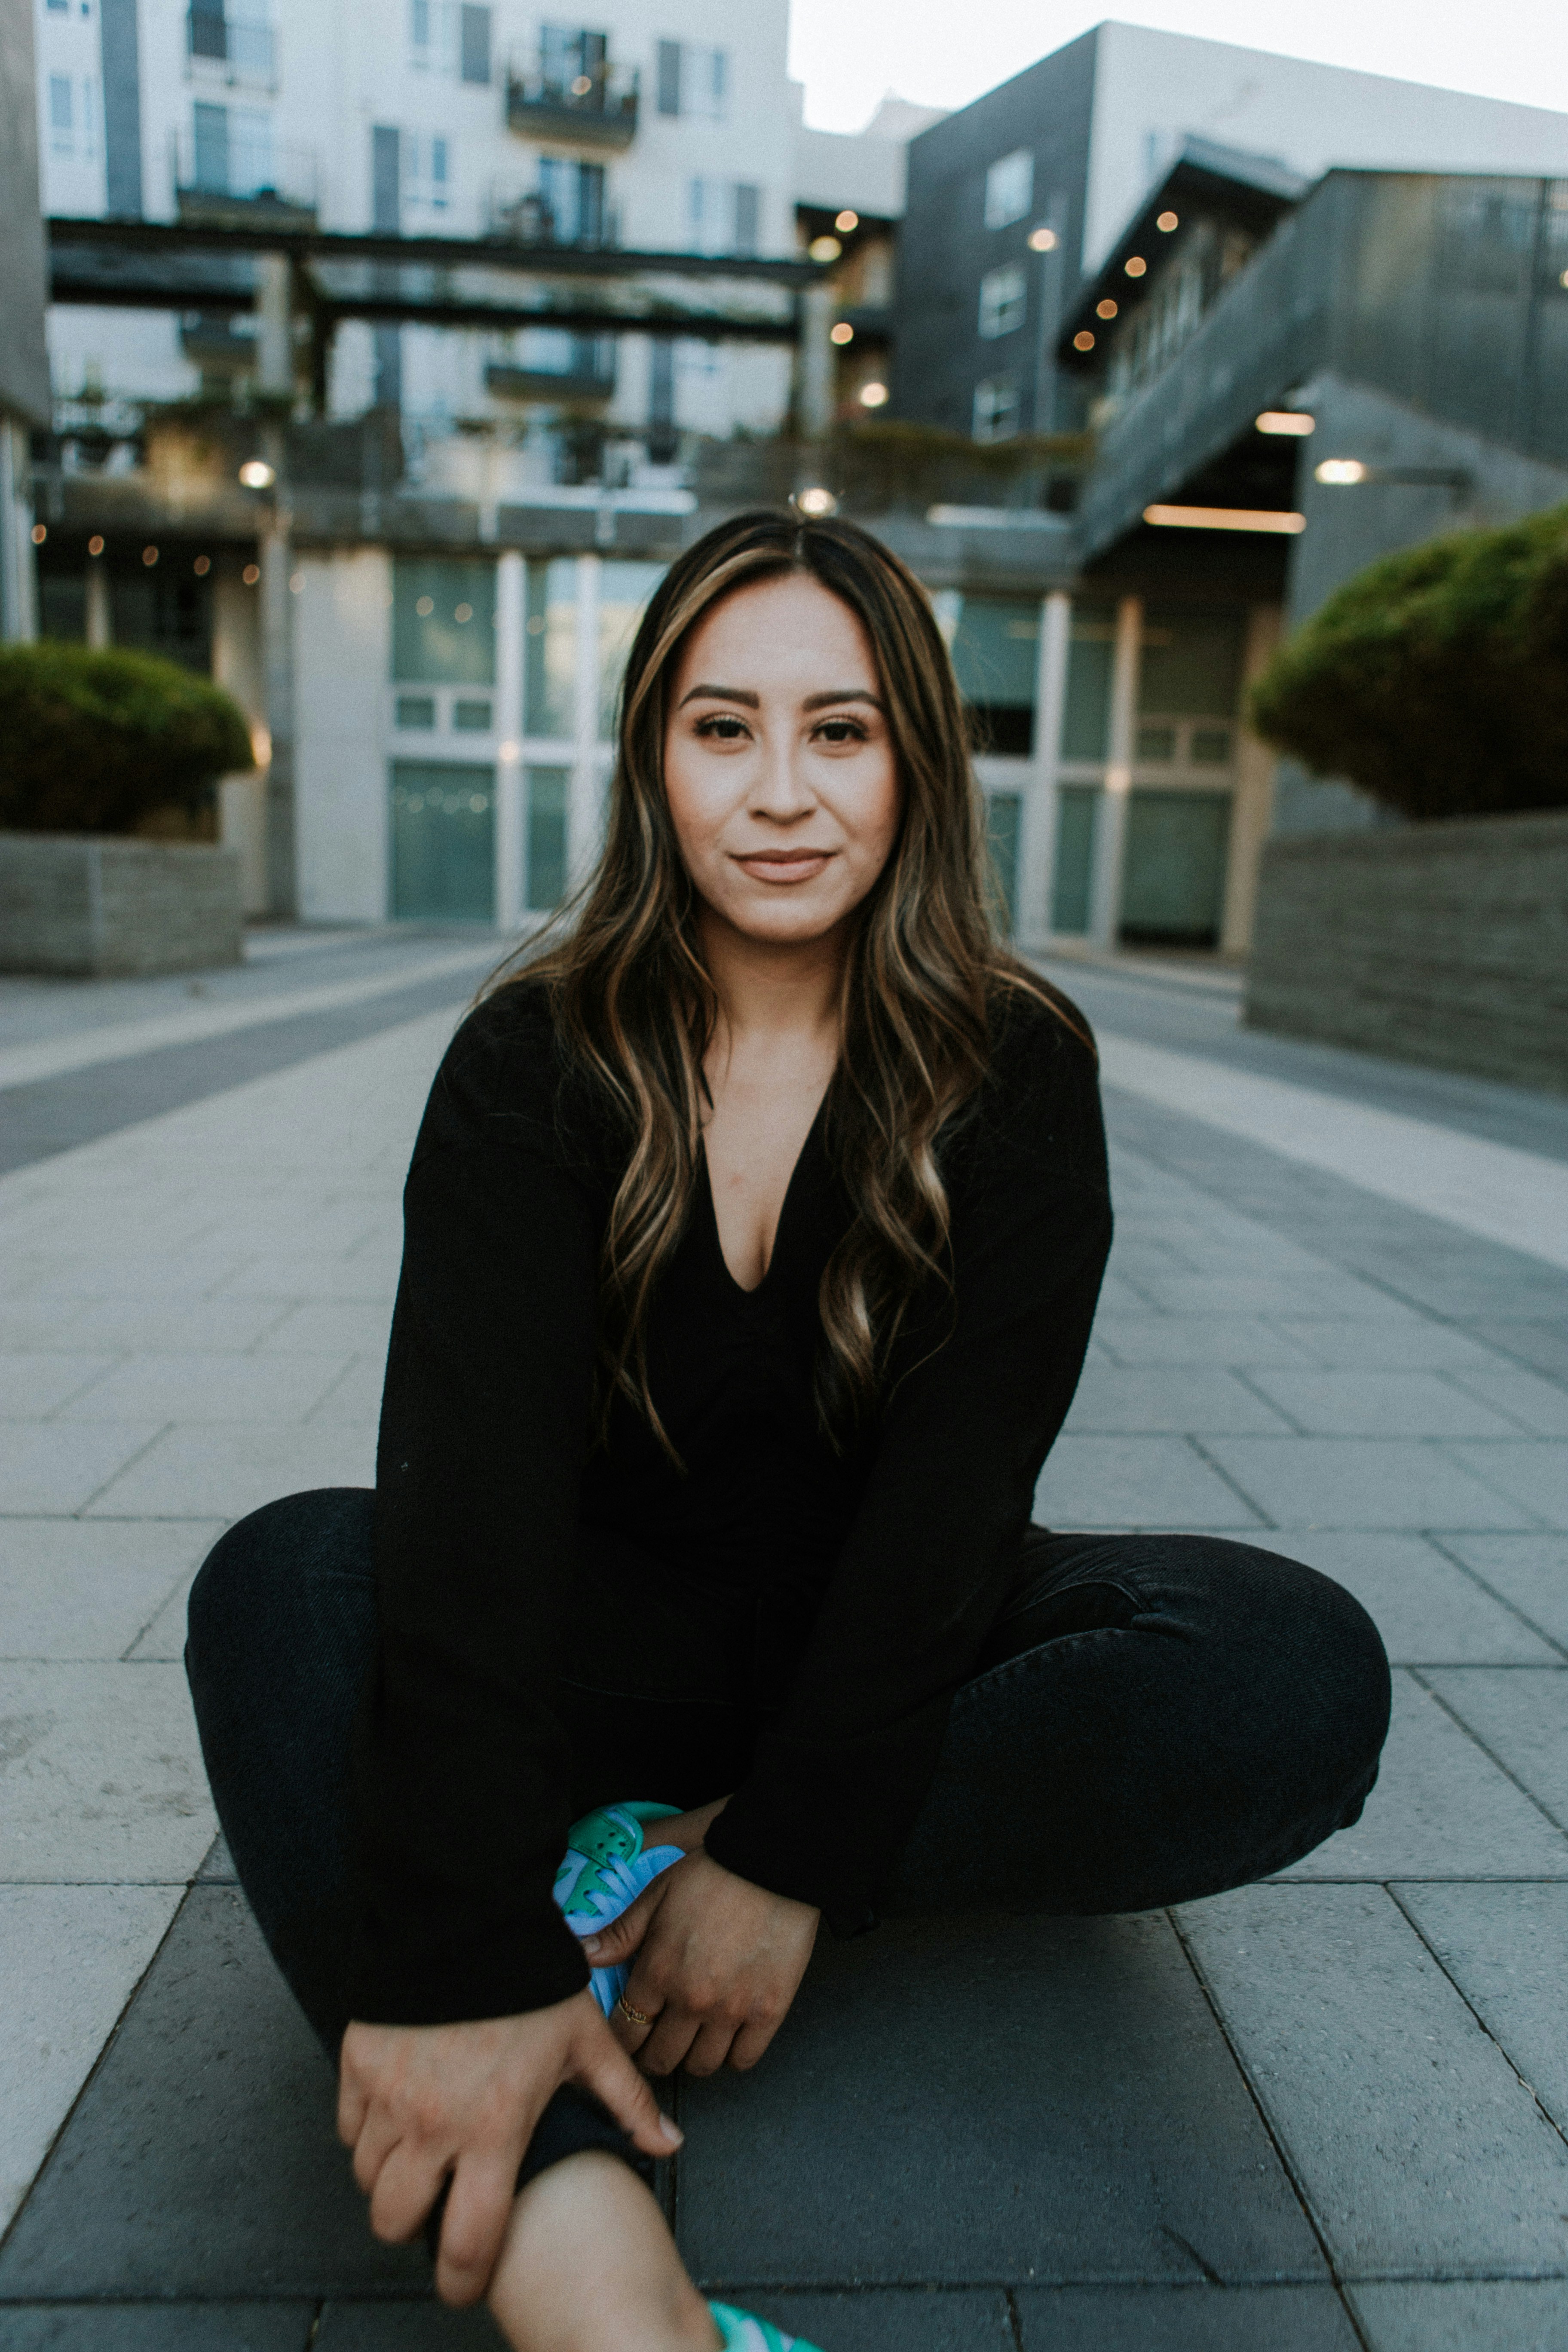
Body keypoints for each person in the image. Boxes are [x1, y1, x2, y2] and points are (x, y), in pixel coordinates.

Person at [186, 509, 1391, 2352]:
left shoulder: (1013, 1066)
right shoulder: (538, 1055)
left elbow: (958, 1509)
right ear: (651, 762)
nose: (780, 793)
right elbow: (475, 1510)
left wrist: (784, 1861)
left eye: (840, 731)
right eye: (720, 727)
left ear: (915, 762)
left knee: (1293, 1667)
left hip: (891, 1646)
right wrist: (460, 1958)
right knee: (281, 1580)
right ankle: (594, 2263)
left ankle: (656, 1868)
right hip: (605, 1639)